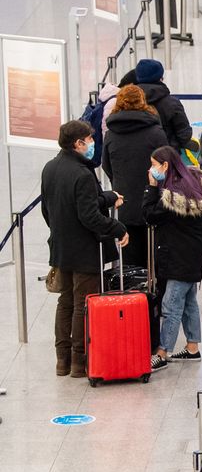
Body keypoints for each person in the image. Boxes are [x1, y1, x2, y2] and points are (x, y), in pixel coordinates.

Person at [41, 121, 127, 377]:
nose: (92, 143)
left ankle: (62, 360)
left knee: (64, 302)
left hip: (60, 246)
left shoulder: (50, 168)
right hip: (85, 250)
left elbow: (49, 209)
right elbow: (90, 216)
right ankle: (80, 361)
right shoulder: (81, 173)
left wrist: (108, 197)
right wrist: (117, 228)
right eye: (89, 139)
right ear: (78, 144)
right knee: (83, 304)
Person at [141, 147, 202, 370]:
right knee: (189, 302)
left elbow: (149, 214)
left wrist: (151, 188)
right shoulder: (194, 183)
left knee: (171, 305)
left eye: (154, 164)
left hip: (177, 256)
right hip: (192, 253)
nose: (152, 169)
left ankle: (162, 353)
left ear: (165, 166)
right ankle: (192, 347)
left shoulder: (172, 196)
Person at [102, 83, 168, 266]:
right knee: (154, 259)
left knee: (130, 261)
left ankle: (133, 293)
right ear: (142, 101)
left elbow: (106, 165)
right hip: (153, 199)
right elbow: (166, 164)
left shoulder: (111, 134)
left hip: (125, 202)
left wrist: (119, 181)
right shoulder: (156, 132)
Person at [120, 58, 192, 150]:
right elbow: (184, 135)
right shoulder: (172, 103)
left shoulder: (125, 102)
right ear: (160, 78)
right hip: (164, 157)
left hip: (131, 157)